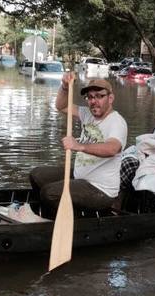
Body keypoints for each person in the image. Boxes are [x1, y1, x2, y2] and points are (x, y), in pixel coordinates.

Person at [30, 75, 128, 217]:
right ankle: (42, 213)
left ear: (110, 98)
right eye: (90, 97)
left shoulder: (117, 122)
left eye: (99, 96)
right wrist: (64, 86)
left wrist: (79, 146)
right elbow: (61, 106)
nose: (93, 101)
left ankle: (65, 220)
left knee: (49, 193)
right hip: (79, 177)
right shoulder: (87, 113)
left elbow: (112, 148)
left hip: (100, 189)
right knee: (37, 175)